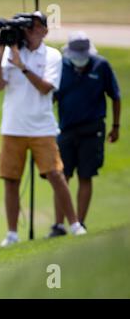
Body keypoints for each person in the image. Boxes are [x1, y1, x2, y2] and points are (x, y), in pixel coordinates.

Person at [0, 11, 87, 247]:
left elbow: (45, 88)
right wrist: (2, 52)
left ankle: (74, 224)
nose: (29, 31)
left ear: (44, 30)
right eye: (26, 28)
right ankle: (12, 234)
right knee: (10, 180)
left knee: (55, 174)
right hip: (12, 126)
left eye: (34, 27)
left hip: (42, 127)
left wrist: (22, 67)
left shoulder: (51, 55)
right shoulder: (11, 52)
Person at [51, 31, 121, 235]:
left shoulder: (101, 65)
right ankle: (59, 225)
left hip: (92, 129)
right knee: (62, 176)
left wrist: (116, 126)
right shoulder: (61, 66)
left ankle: (79, 223)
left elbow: (115, 96)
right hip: (65, 129)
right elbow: (52, 97)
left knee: (86, 175)